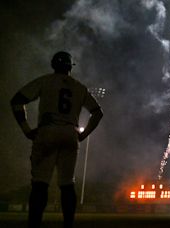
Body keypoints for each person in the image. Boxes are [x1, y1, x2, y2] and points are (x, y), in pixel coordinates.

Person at [10, 51, 103, 228]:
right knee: (67, 184)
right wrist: (83, 134)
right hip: (70, 133)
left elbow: (17, 100)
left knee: (40, 183)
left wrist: (26, 129)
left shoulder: (45, 81)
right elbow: (98, 112)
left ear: (53, 65)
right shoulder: (79, 86)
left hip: (48, 131)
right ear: (70, 67)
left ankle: (34, 223)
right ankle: (68, 224)